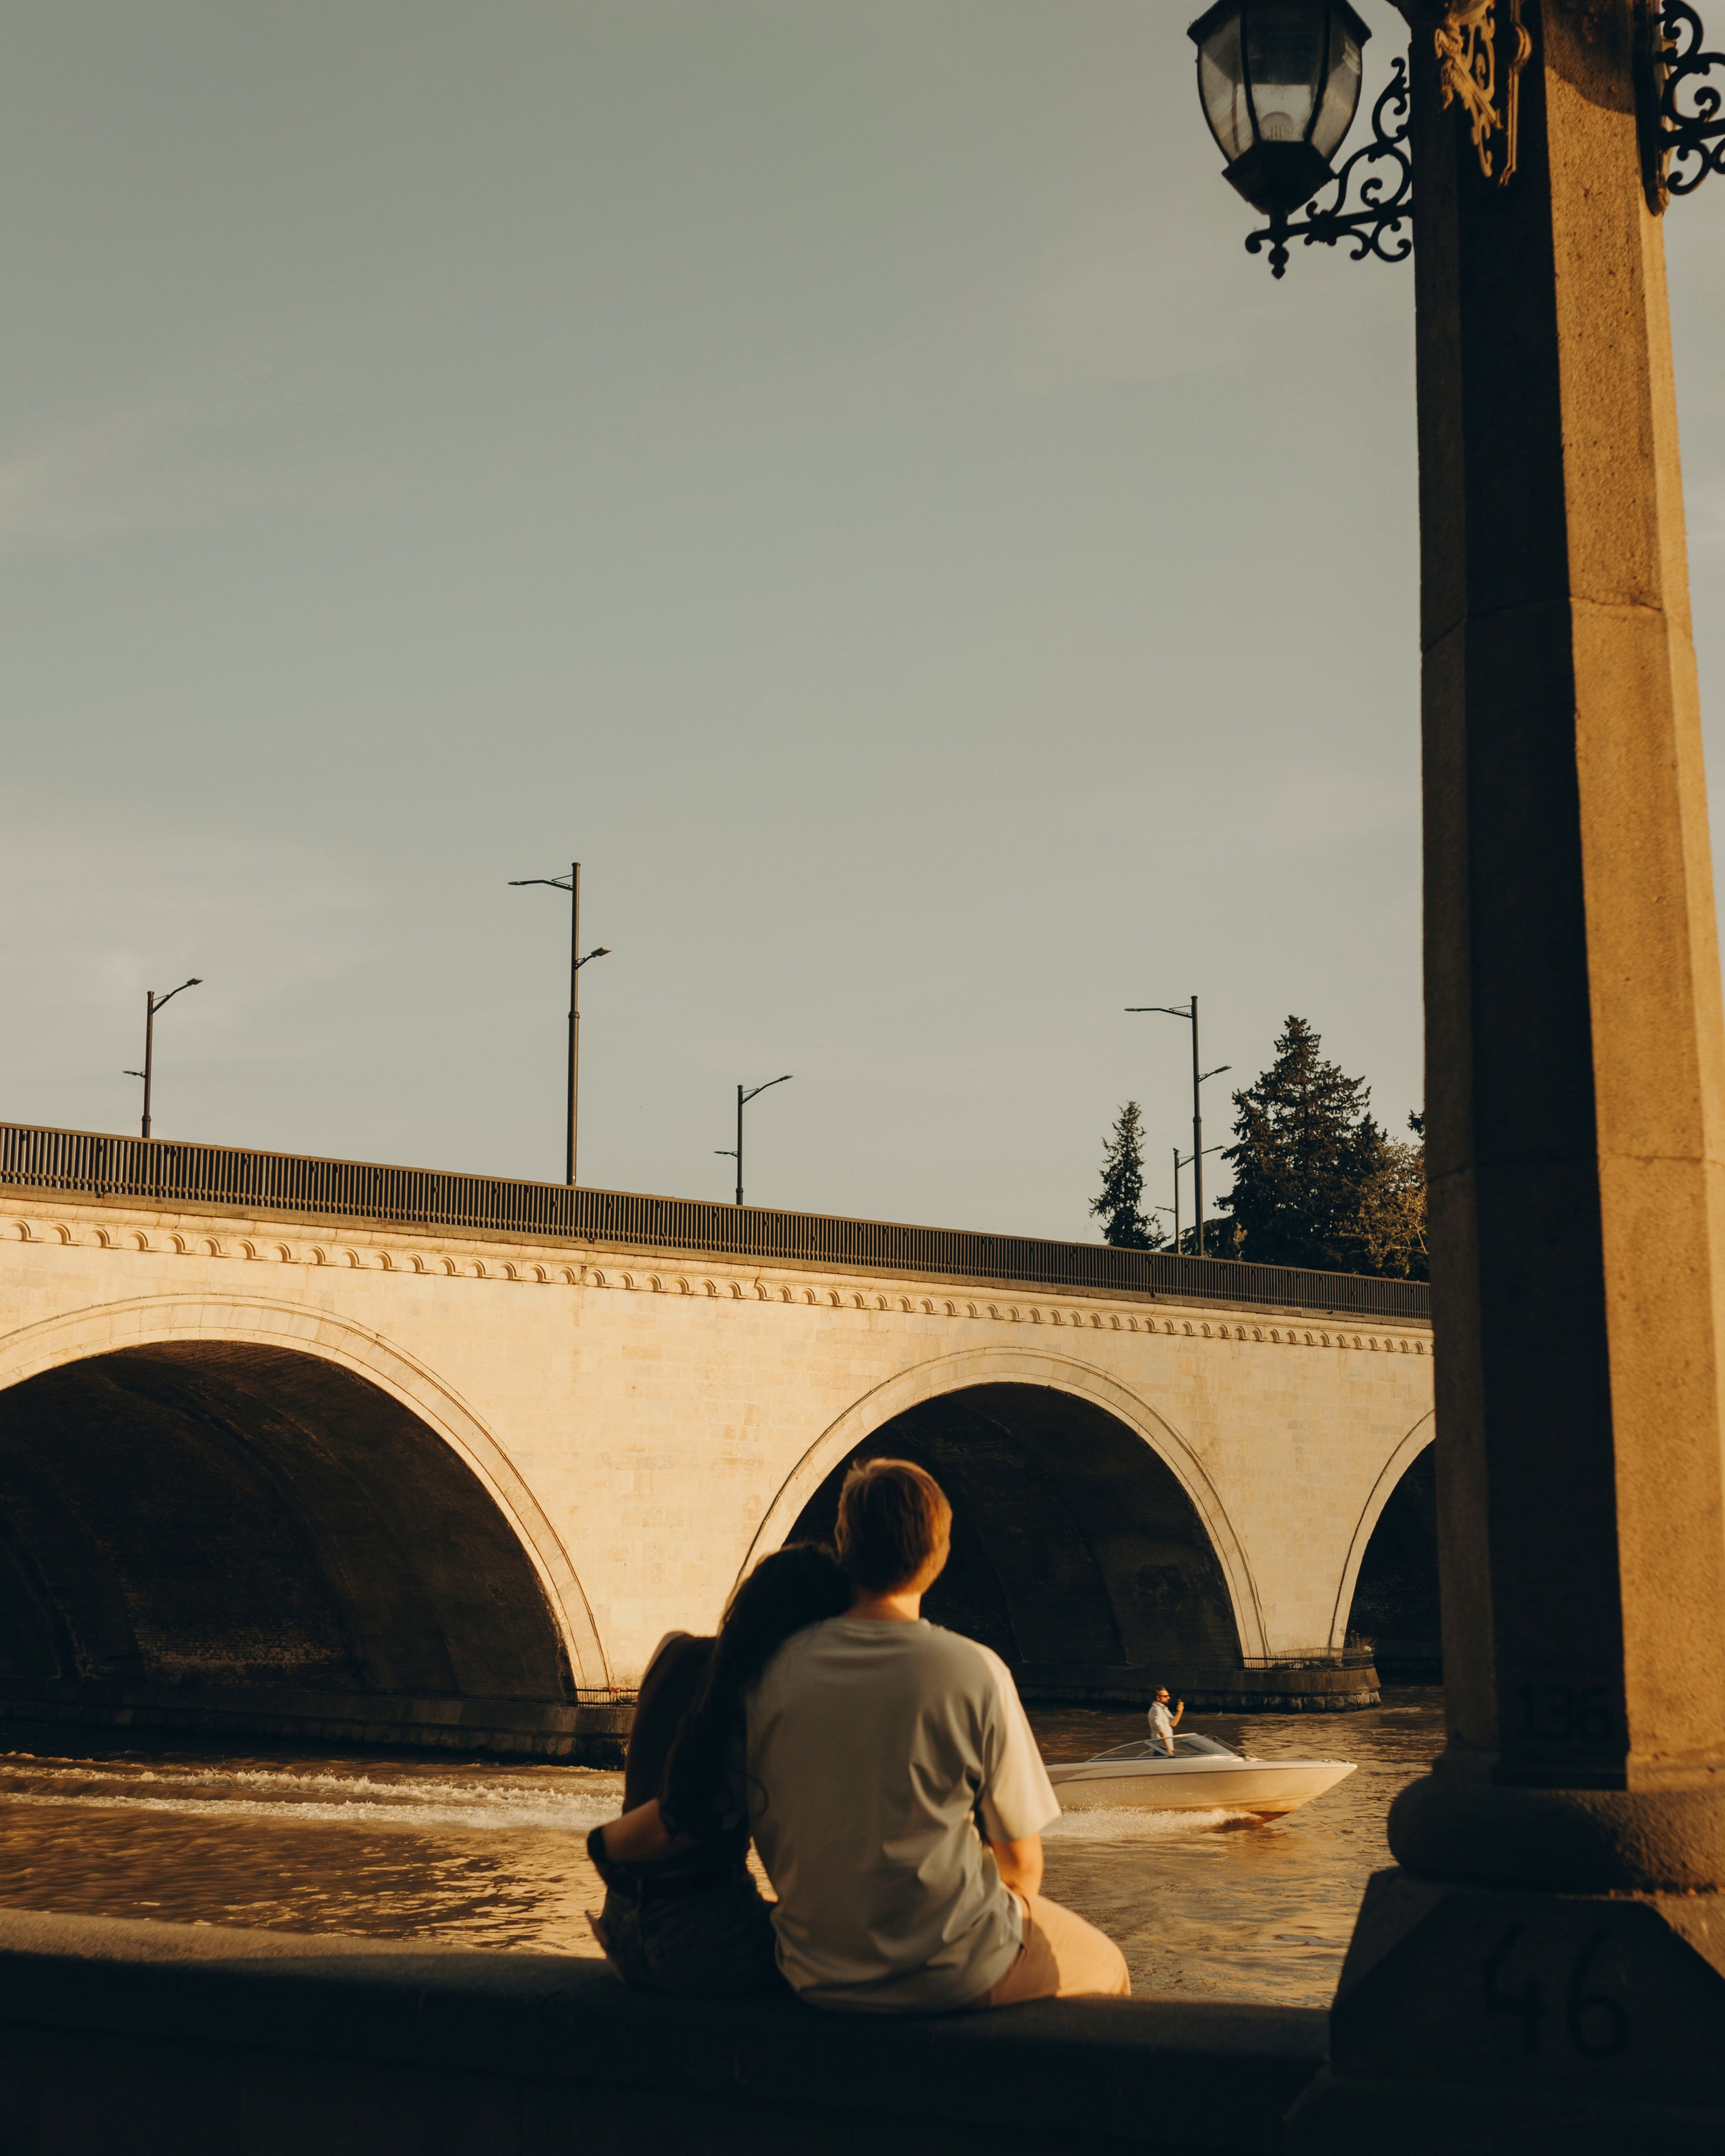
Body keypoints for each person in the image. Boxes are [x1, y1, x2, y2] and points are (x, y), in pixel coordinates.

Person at [745, 1457, 1129, 2013]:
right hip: (947, 1972)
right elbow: (1022, 1869)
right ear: (940, 1553)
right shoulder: (973, 1671)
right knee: (1108, 1964)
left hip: (811, 1967)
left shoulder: (774, 1670)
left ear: (843, 1544)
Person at [587, 1541, 850, 1996]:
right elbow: (678, 1822)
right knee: (871, 1967)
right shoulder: (764, 1700)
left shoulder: (673, 1649)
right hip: (704, 1934)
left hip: (620, 1921)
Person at [1148, 1685, 1185, 1756]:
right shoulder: (1155, 1710)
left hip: (1165, 1748)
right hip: (1161, 1749)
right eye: (1165, 1696)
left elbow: (1173, 1723)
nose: (1169, 1698)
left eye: (1168, 1696)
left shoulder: (1163, 1708)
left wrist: (1180, 1712)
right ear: (1158, 1698)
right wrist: (1168, 1750)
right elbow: (1161, 1731)